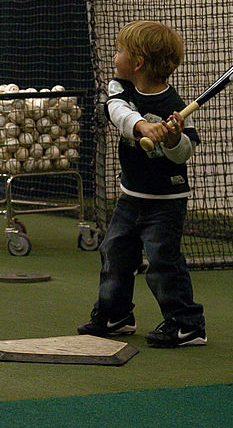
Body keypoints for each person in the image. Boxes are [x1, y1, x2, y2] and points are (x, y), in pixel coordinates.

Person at [77, 20, 206, 347]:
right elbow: (116, 111)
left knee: (162, 261)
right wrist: (142, 127)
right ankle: (116, 314)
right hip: (130, 196)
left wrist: (173, 139)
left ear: (137, 63)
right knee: (115, 252)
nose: (115, 56)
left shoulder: (175, 107)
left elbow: (184, 153)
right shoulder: (121, 89)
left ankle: (186, 324)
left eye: (120, 50)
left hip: (165, 201)